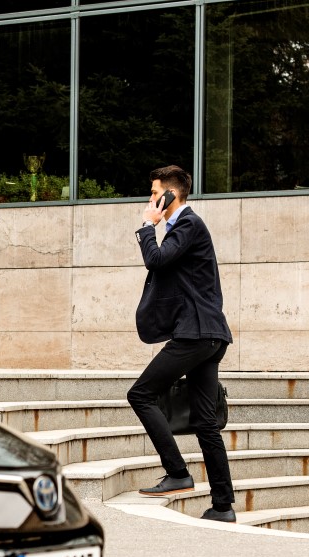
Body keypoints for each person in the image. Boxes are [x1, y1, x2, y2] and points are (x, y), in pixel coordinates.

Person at [126, 165, 236, 523]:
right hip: (207, 334)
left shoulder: (188, 224)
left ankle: (177, 472)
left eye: (155, 193)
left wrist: (148, 226)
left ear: (172, 194)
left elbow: (155, 259)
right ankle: (223, 507)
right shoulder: (183, 229)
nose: (150, 200)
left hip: (197, 334)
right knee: (205, 422)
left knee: (140, 394)